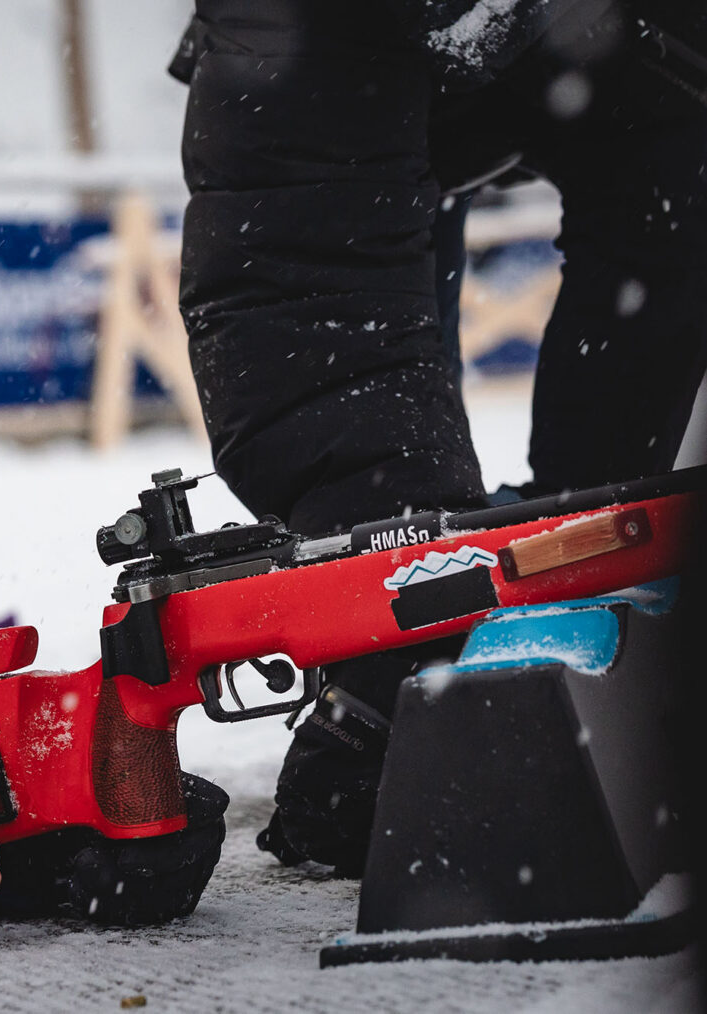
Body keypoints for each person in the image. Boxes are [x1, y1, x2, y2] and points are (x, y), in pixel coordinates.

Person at [168, 0, 707, 874]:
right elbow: (300, 284)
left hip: (632, 48)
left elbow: (671, 239)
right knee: (408, 632)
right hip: (337, 81)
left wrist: (589, 569)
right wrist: (414, 636)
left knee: (681, 182)